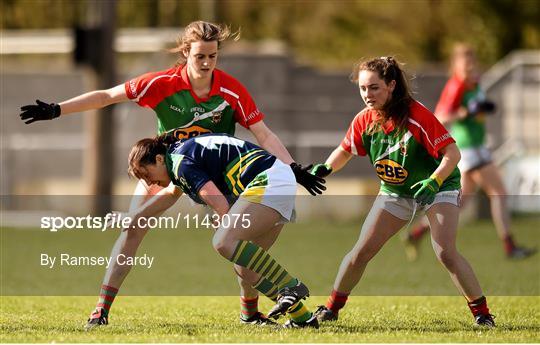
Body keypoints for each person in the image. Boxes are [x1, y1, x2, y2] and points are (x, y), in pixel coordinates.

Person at [18, 21, 324, 330]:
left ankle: (251, 312)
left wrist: (294, 168)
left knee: (240, 246)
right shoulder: (161, 83)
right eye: (199, 56)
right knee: (133, 227)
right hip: (165, 168)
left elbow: (264, 135)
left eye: (212, 56)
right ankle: (101, 309)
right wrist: (58, 110)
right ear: (185, 53)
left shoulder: (230, 89)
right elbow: (106, 97)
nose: (206, 63)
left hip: (216, 175)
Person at [310, 57, 495, 327]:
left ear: (392, 85)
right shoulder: (364, 119)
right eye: (362, 88)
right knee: (360, 252)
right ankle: (330, 309)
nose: (367, 95)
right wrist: (326, 168)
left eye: (374, 88)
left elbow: (452, 153)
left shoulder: (417, 116)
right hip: (396, 191)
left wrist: (433, 182)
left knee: (445, 252)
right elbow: (346, 150)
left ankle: (482, 314)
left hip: (439, 186)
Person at [126, 132, 320, 328]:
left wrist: (222, 221)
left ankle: (290, 286)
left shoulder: (180, 163)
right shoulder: (177, 159)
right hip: (274, 179)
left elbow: (221, 205)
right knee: (244, 266)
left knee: (223, 242)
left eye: (146, 174)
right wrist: (133, 216)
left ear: (159, 159)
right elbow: (172, 196)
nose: (148, 183)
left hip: (268, 180)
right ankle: (303, 318)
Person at [403, 43, 536, 260]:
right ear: (455, 64)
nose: (470, 64)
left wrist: (485, 107)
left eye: (472, 59)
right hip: (468, 148)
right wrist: (464, 113)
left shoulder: (473, 83)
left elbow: (480, 110)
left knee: (460, 201)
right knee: (499, 193)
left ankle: (416, 233)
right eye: (465, 60)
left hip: (477, 145)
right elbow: (441, 116)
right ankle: (510, 247)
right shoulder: (456, 86)